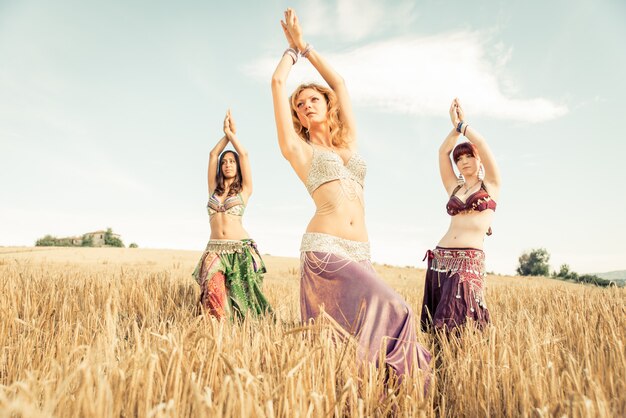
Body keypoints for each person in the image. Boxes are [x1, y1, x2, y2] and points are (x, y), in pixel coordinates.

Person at [271, 8, 431, 381]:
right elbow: (278, 86)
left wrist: (307, 47)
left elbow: (340, 83)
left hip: (361, 252)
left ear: (328, 106)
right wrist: (290, 54)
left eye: (313, 99)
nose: (306, 105)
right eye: (300, 104)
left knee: (360, 334)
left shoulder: (349, 145)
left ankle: (380, 394)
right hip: (325, 250)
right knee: (396, 307)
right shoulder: (300, 150)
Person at [421, 98, 501, 332]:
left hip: (468, 262)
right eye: (459, 159)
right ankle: (440, 369)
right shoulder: (454, 188)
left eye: (469, 157)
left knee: (459, 325)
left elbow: (483, 143)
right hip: (440, 260)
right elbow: (442, 152)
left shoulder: (491, 185)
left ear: (479, 160)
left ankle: (467, 367)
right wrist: (453, 128)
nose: (463, 161)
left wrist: (462, 125)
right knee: (438, 330)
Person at [192, 110, 272, 320]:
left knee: (243, 303)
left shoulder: (245, 190)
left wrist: (233, 135)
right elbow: (212, 154)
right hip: (215, 249)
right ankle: (217, 337)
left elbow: (244, 154)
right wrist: (225, 135)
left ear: (238, 167)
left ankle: (241, 339)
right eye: (224, 162)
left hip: (239, 250)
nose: (227, 164)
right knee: (214, 296)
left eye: (232, 162)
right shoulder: (213, 189)